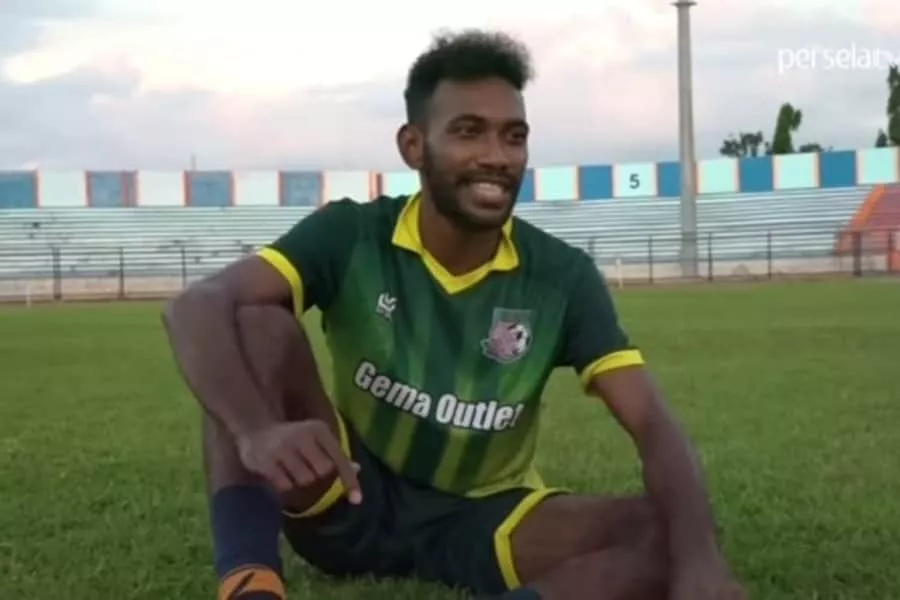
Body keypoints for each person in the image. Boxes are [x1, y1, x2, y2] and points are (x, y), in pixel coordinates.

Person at [163, 29, 745, 600]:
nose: (496, 157)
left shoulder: (561, 277)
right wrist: (256, 431)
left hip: (486, 519)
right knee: (257, 323)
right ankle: (250, 584)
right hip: (347, 494)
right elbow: (198, 305)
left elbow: (652, 421)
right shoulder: (352, 235)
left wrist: (701, 565)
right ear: (413, 146)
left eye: (513, 137)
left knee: (666, 532)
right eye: (469, 132)